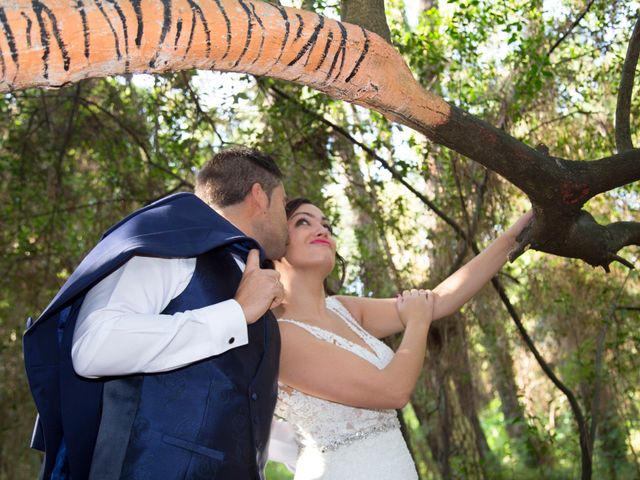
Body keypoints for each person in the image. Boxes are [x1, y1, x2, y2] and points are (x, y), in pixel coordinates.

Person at [23, 147, 289, 480]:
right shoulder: (169, 245)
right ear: (258, 196)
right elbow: (95, 346)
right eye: (283, 203)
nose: (286, 221)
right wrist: (235, 313)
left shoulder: (251, 280)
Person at [270, 198, 533, 479]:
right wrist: (417, 322)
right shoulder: (281, 335)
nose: (322, 230)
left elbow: (440, 301)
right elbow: (392, 391)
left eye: (326, 224)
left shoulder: (346, 309)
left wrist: (516, 234)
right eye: (303, 222)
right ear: (274, 243)